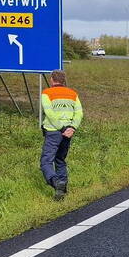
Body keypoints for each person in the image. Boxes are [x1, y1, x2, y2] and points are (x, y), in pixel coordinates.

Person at [39, 70, 83, 200]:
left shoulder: (46, 93)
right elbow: (79, 113)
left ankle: (56, 182)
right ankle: (63, 191)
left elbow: (49, 113)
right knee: (60, 160)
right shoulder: (73, 94)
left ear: (52, 79)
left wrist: (62, 128)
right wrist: (72, 128)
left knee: (46, 161)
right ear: (63, 80)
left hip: (53, 131)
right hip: (68, 133)